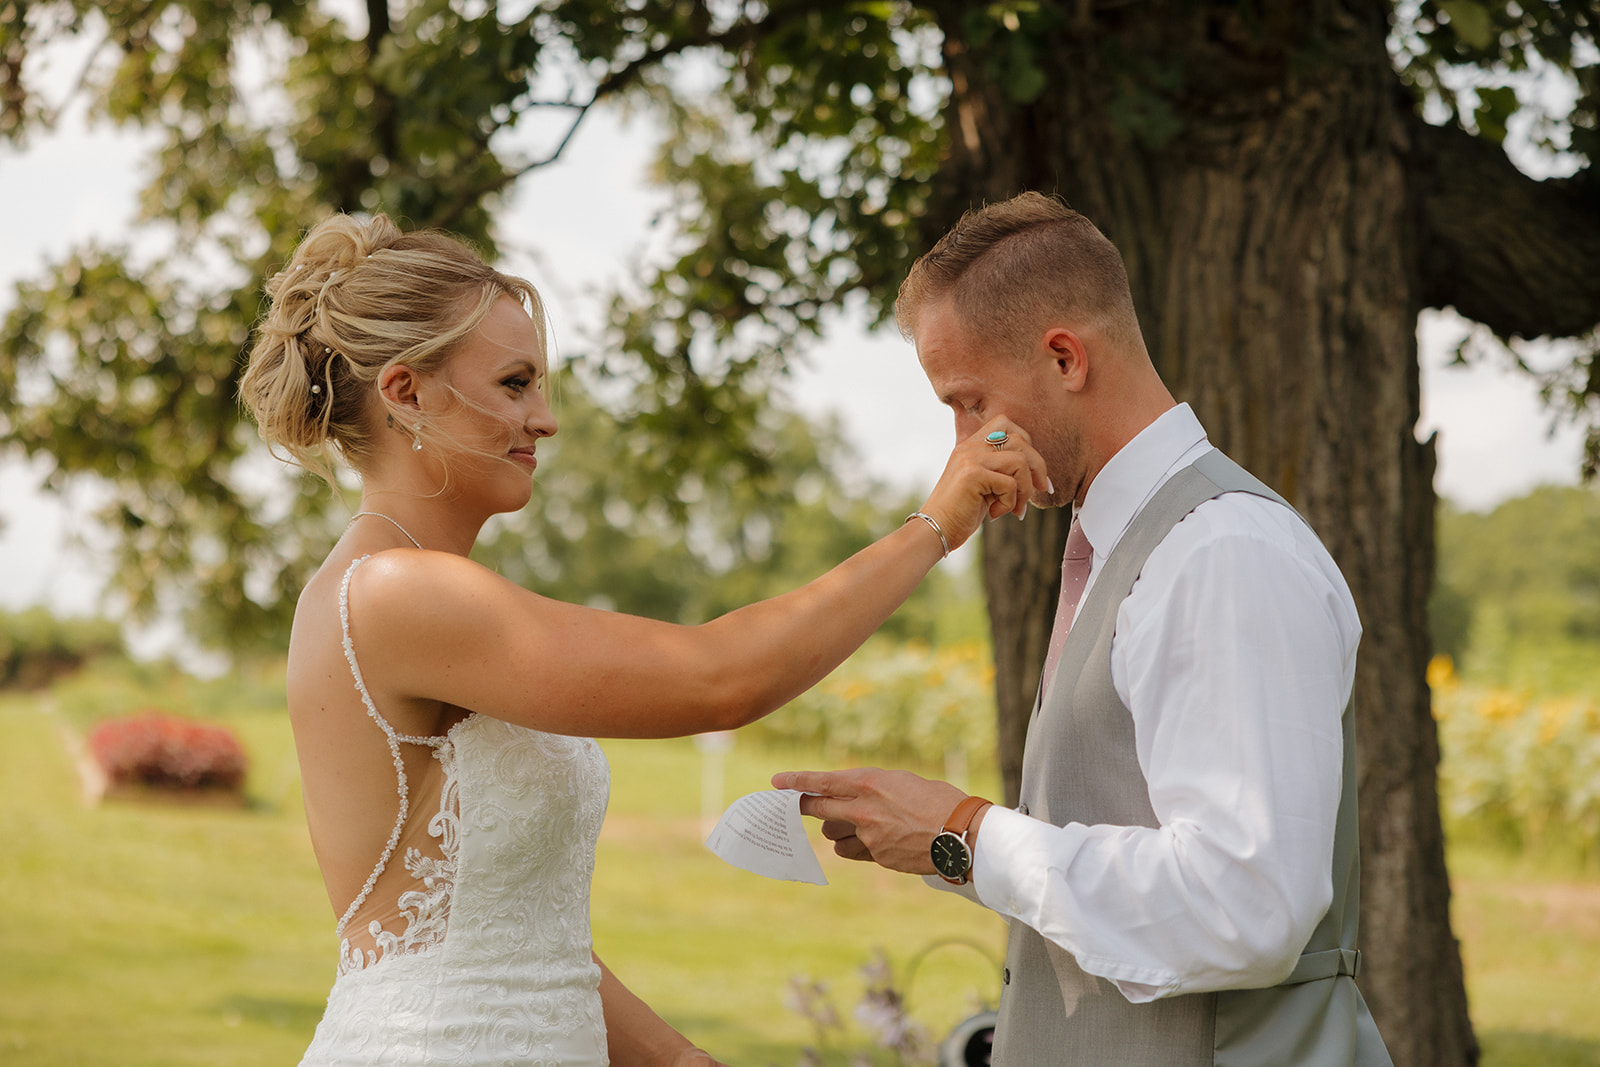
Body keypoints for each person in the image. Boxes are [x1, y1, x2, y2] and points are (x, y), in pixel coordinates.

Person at [238, 212, 1046, 1066]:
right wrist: (937, 522)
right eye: (515, 384)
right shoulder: (400, 592)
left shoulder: (411, 590)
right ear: (405, 391)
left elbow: (519, 943)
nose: (545, 420)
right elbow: (717, 678)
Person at [774, 193, 1393, 1066]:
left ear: (1065, 357)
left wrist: (965, 832)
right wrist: (931, 840)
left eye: (968, 399)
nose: (961, 443)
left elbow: (1246, 906)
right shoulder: (1123, 548)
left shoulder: (1220, 552)